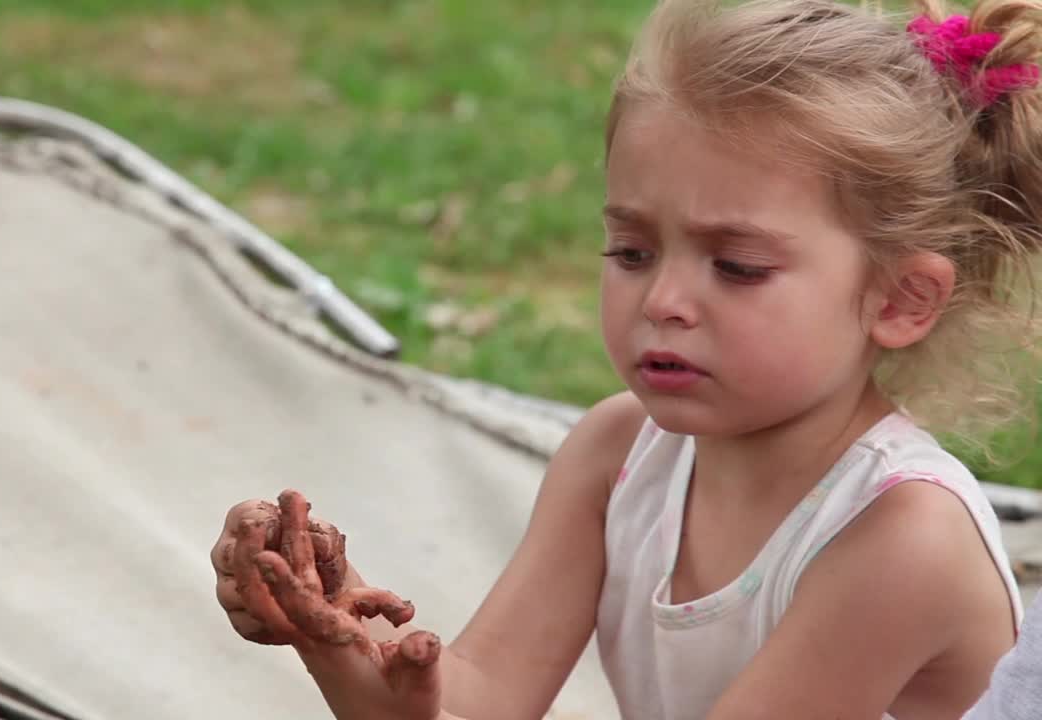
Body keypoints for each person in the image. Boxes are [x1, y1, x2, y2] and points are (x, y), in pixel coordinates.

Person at [210, 0, 1042, 717]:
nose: (663, 301)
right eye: (632, 252)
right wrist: (329, 615)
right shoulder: (618, 456)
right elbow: (481, 692)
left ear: (900, 300)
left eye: (737, 267)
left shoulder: (902, 540)